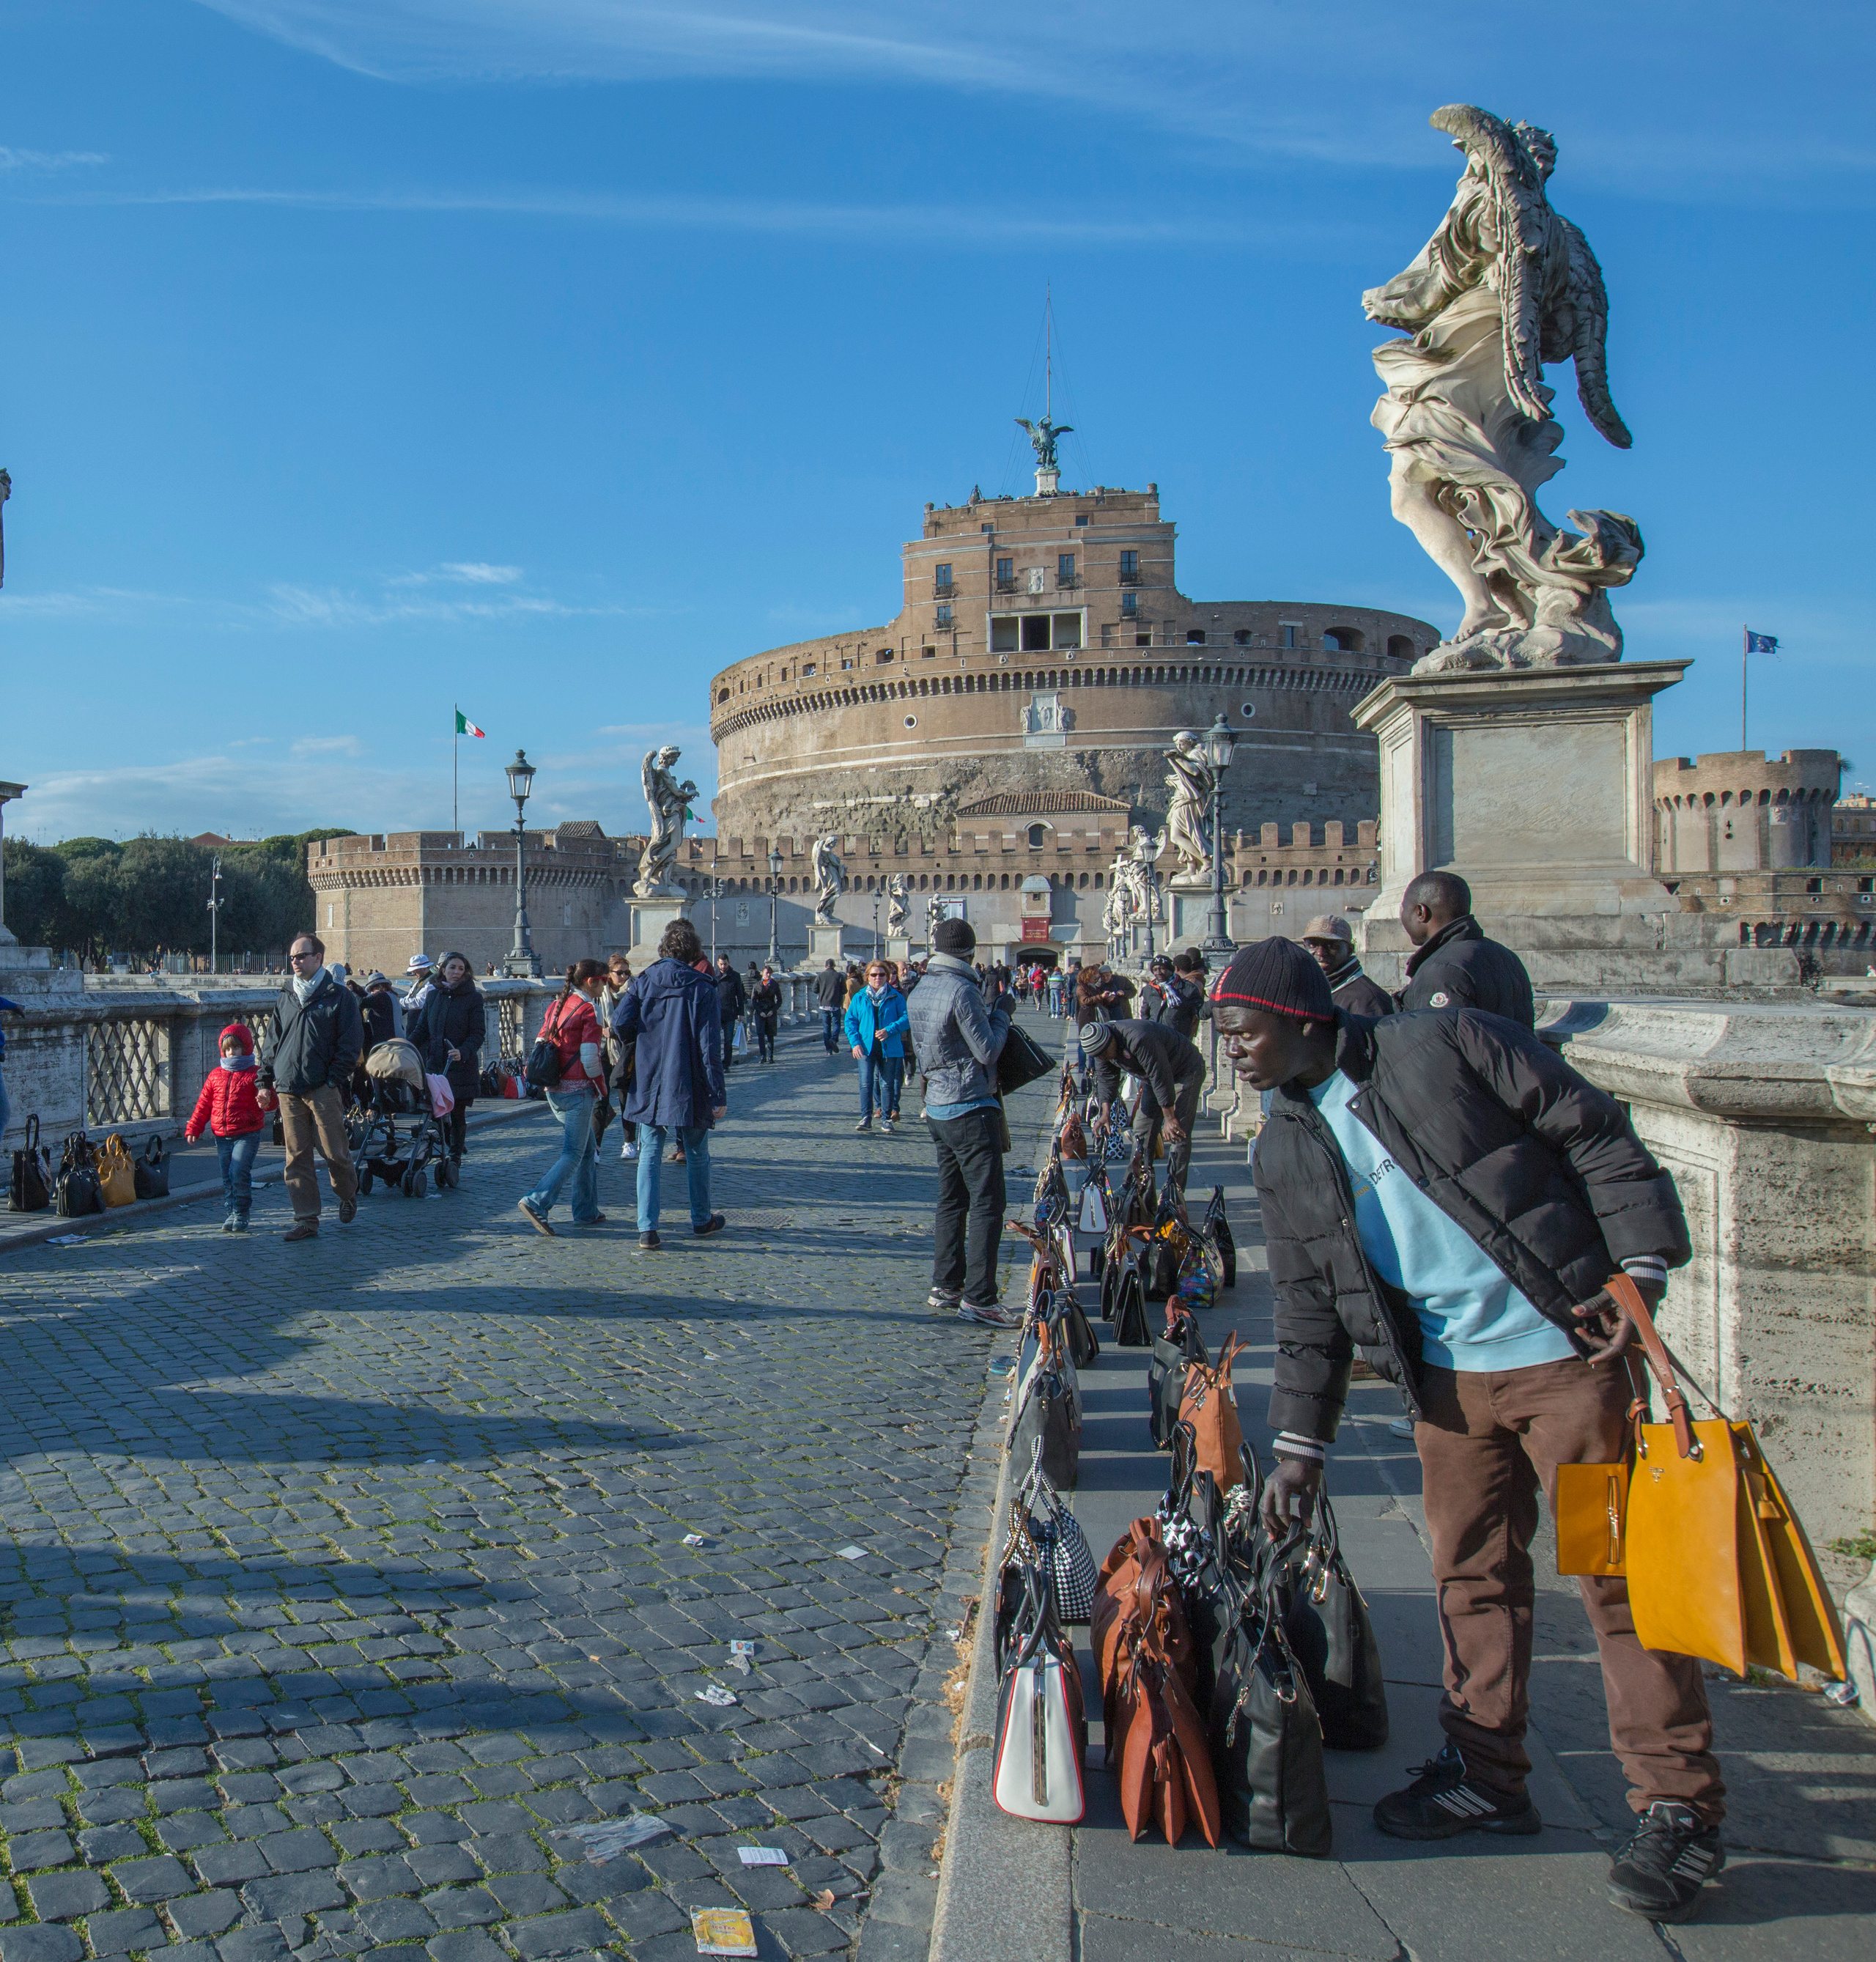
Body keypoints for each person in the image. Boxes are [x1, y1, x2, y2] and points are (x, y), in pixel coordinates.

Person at [1211, 937, 1723, 1924]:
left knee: (1618, 1583)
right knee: (1470, 1575)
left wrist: (1642, 1265)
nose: (1231, 1048)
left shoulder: (1449, 1044)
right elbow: (1309, 1307)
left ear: (1300, 1019)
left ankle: (1679, 1807)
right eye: (1224, 1033)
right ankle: (1489, 1773)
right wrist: (1299, 1446)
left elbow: (1595, 1132)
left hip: (1564, 1358)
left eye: (1242, 1029)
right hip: (1445, 1385)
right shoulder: (1281, 1144)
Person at [906, 916, 1014, 1327]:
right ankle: (980, 1297)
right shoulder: (962, 991)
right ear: (970, 953)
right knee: (988, 1203)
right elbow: (987, 1051)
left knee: (951, 1200)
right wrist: (1002, 1013)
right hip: (969, 1107)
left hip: (937, 1107)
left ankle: (946, 1284)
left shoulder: (919, 990)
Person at [612, 917, 727, 1250]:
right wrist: (718, 1092)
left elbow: (620, 1022)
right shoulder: (703, 986)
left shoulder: (643, 982)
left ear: (664, 949)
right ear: (694, 952)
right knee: (696, 1152)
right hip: (688, 1080)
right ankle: (701, 1219)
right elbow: (710, 1048)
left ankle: (647, 1228)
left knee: (649, 1151)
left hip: (649, 1078)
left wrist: (643, 1042)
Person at [255, 934, 362, 1243]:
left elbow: (351, 1044)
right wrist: (264, 1081)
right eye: (292, 957)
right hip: (288, 1088)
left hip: (323, 1087)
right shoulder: (286, 995)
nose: (295, 962)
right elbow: (271, 1043)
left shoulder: (339, 997)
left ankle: (347, 1193)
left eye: (301, 956)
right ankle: (306, 1219)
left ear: (318, 958)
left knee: (334, 1152)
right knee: (296, 1157)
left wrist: (333, 1079)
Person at [516, 960, 608, 1236]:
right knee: (573, 1153)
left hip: (554, 1089)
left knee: (588, 1149)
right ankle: (537, 1201)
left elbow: (541, 1042)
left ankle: (586, 1211)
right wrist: (602, 1089)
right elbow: (591, 1058)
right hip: (578, 1090)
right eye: (604, 980)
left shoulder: (557, 1004)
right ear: (591, 981)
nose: (606, 985)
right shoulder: (590, 1009)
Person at [1078, 1015, 1208, 1198]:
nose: (1103, 1057)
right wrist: (1104, 1113)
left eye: (1104, 1053)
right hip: (1153, 1078)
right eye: (1098, 1055)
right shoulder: (1099, 1046)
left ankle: (1174, 1191)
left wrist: (1170, 1118)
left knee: (1178, 1132)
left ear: (1111, 1040)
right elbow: (1106, 1079)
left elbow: (1161, 1076)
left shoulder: (1139, 1038)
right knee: (1142, 1131)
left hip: (1185, 1070)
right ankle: (1135, 1185)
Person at [1397, 871, 1534, 1027]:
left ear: (1420, 912)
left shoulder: (1441, 971)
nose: (1402, 917)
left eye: (1404, 909)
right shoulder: (1506, 955)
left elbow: (1439, 1044)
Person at [183, 1022, 266, 1232]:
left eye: (236, 1048)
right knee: (227, 1175)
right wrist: (194, 1127)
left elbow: (270, 1100)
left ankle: (241, 1212)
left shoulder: (255, 1074)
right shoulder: (216, 1075)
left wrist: (266, 1100)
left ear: (246, 1048)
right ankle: (231, 1211)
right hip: (222, 1135)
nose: (231, 1053)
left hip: (247, 1133)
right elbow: (204, 1104)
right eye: (227, 1049)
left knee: (239, 1171)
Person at [416, 950, 485, 1167]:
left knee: (456, 1113)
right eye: (452, 968)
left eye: (461, 969)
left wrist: (463, 1051)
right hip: (436, 1064)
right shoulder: (433, 995)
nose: (456, 972)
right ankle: (443, 1145)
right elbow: (422, 1029)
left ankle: (455, 1156)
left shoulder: (473, 998)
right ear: (443, 970)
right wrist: (404, 1046)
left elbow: (478, 1033)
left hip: (459, 1065)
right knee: (435, 1111)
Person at [845, 958, 911, 1135]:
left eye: (882, 975)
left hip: (890, 1047)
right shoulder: (860, 997)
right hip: (866, 1048)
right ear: (868, 977)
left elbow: (906, 1018)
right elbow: (850, 1021)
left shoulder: (896, 997)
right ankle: (866, 1117)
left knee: (887, 1084)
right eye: (874, 975)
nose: (878, 978)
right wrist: (855, 1043)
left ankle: (886, 1119)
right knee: (865, 1084)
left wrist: (890, 1030)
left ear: (887, 977)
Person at [1301, 912, 1395, 1019]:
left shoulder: (1369, 1000)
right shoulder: (1307, 988)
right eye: (1313, 945)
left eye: (1331, 945)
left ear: (1349, 950)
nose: (1320, 953)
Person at [599, 955, 638, 1158]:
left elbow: (637, 1022)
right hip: (603, 1051)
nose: (624, 976)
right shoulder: (600, 993)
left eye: (627, 972)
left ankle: (629, 1142)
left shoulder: (634, 991)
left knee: (625, 1098)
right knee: (601, 1099)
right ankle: (596, 1147)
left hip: (626, 1051)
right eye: (619, 972)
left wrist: (614, 1032)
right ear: (609, 974)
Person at [714, 955, 748, 1070]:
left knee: (728, 1040)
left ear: (729, 963)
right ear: (717, 964)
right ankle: (716, 1062)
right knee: (715, 1039)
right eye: (721, 964)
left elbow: (740, 996)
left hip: (730, 1012)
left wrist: (741, 1013)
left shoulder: (735, 976)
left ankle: (726, 1063)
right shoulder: (713, 975)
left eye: (725, 964)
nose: (723, 966)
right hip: (716, 1012)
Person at [750, 963, 783, 1063]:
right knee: (760, 1035)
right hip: (760, 1012)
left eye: (770, 973)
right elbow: (753, 1001)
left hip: (770, 1012)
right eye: (766, 973)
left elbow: (779, 1000)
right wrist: (760, 1012)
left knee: (770, 1035)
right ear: (762, 973)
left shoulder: (775, 985)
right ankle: (762, 1056)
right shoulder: (757, 985)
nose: (768, 975)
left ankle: (770, 1056)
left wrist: (773, 1010)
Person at [815, 958, 846, 1055]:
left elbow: (814, 989)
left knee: (826, 1027)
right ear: (834, 966)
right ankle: (833, 1039)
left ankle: (828, 1050)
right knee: (836, 1024)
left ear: (825, 966)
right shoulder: (839, 976)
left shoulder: (820, 976)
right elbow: (844, 991)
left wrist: (822, 991)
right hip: (835, 1004)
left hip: (824, 1004)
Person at [402, 953, 437, 1027]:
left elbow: (419, 1003)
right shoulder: (420, 982)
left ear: (424, 968)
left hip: (422, 1025)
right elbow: (409, 997)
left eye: (415, 970)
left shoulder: (431, 983)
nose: (413, 973)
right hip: (415, 1023)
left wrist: (398, 1001)